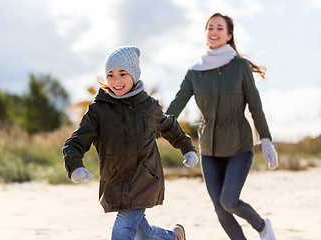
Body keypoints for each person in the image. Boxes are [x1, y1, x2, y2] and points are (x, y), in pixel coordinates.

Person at [63, 46, 199, 240]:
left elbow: (169, 126)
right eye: (110, 75)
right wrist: (75, 165)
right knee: (143, 234)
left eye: (123, 74)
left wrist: (187, 148)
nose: (116, 80)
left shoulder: (148, 106)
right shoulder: (99, 110)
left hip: (145, 178)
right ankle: (174, 237)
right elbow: (76, 140)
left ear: (134, 75)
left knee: (122, 231)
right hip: (116, 179)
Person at [165, 13, 278, 240]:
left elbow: (255, 104)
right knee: (220, 209)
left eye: (219, 28)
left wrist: (266, 139)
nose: (214, 31)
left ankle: (262, 226)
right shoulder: (195, 71)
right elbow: (176, 105)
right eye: (210, 27)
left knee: (229, 201)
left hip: (239, 146)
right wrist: (156, 126)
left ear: (228, 35)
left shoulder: (240, 66)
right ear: (205, 33)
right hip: (209, 149)